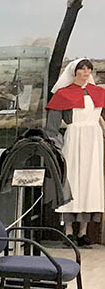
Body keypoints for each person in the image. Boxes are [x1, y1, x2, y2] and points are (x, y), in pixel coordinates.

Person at [46, 57, 105, 245]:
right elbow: (52, 127)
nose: (86, 72)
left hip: (94, 141)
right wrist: (54, 146)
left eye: (89, 69)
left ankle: (84, 231)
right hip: (74, 140)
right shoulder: (63, 94)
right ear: (74, 72)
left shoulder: (99, 93)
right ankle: (69, 229)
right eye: (82, 69)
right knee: (72, 181)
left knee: (90, 182)